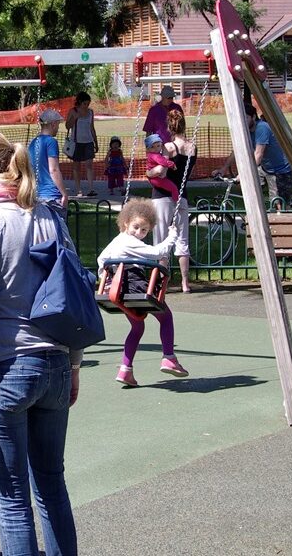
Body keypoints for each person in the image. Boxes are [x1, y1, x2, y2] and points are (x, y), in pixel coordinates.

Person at [0, 129, 80, 556]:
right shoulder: (48, 216)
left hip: (6, 370)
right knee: (52, 487)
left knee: (12, 500)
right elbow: (73, 295)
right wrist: (74, 365)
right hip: (55, 364)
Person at [97, 199, 188, 387]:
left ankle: (125, 370)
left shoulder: (117, 241)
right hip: (134, 289)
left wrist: (106, 278)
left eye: (144, 230)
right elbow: (158, 252)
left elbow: (102, 259)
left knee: (137, 328)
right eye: (136, 227)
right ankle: (169, 358)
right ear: (125, 224)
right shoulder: (128, 240)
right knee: (166, 317)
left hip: (120, 291)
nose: (139, 233)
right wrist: (172, 236)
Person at [159, 108, 197, 292]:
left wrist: (152, 172)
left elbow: (163, 172)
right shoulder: (192, 147)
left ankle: (162, 282)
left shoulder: (168, 147)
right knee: (182, 241)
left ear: (170, 127)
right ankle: (185, 283)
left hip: (164, 196)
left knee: (162, 239)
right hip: (182, 195)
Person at [253, 104, 292, 211]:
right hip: (266, 168)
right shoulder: (260, 129)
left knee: (279, 202)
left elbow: (258, 154)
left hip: (281, 170)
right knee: (251, 185)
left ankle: (283, 215)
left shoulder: (265, 129)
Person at [27, 108, 68, 212]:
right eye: (58, 125)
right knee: (58, 227)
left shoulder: (33, 143)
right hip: (51, 195)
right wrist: (64, 193)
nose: (58, 128)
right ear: (53, 124)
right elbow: (53, 169)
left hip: (36, 194)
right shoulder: (51, 142)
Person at [64, 92, 98, 197]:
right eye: (85, 104)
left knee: (89, 165)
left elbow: (92, 128)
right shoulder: (73, 111)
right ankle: (78, 189)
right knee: (76, 167)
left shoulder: (91, 112)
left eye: (88, 104)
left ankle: (91, 188)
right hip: (76, 142)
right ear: (80, 102)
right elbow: (67, 126)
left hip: (88, 142)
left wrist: (95, 142)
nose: (86, 106)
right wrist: (75, 117)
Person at [143, 133, 176, 200]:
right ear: (148, 149)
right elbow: (163, 162)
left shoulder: (152, 154)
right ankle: (176, 202)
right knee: (174, 189)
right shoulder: (154, 155)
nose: (156, 149)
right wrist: (172, 164)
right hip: (157, 179)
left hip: (154, 177)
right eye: (152, 147)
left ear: (161, 146)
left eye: (158, 146)